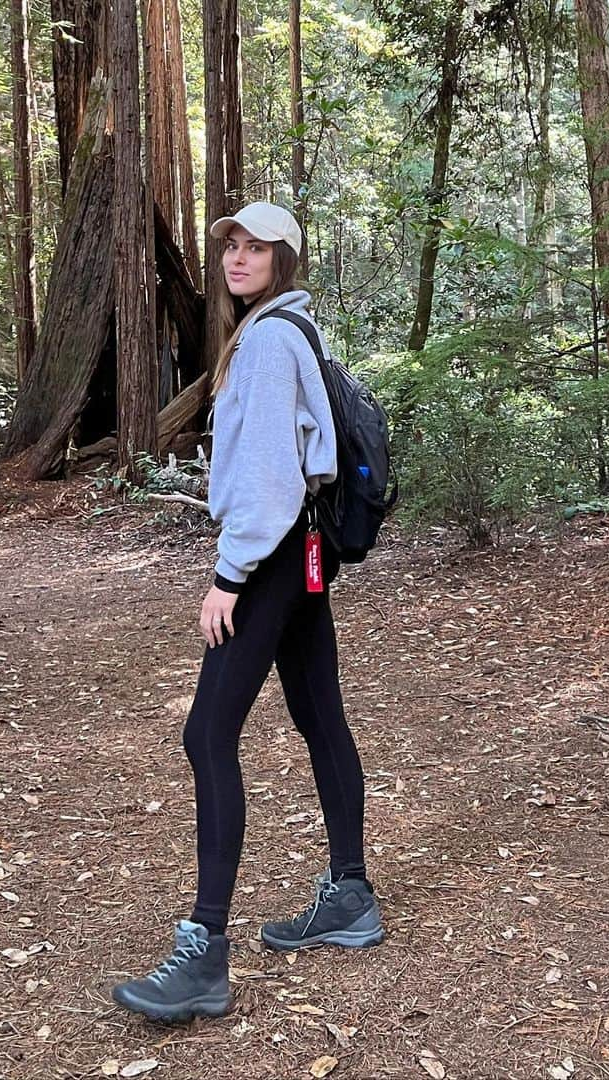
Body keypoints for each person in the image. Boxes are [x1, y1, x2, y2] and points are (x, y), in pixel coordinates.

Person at [112, 202, 383, 1023]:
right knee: (319, 716)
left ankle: (205, 951)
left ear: (284, 259)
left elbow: (269, 477)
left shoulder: (266, 341)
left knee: (207, 733)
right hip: (306, 553)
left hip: (271, 557)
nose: (238, 255)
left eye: (257, 245)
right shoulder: (296, 329)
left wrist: (227, 577)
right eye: (231, 242)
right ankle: (349, 895)